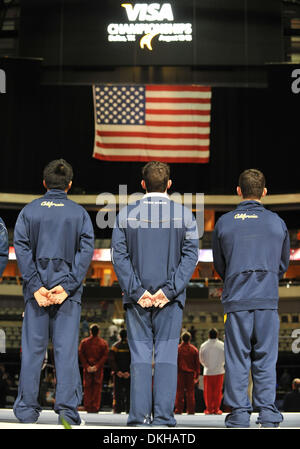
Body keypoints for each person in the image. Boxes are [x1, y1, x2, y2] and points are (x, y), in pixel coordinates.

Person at [111, 161, 199, 427]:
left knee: (139, 358)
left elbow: (119, 256)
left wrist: (138, 292)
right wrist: (169, 290)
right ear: (169, 185)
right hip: (169, 301)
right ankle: (162, 418)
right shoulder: (185, 215)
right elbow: (191, 256)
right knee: (166, 358)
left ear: (142, 185)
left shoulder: (125, 214)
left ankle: (138, 419)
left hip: (137, 300)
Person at [13, 159, 94, 425]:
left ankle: (26, 411)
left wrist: (36, 286)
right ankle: (67, 412)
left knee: (33, 352)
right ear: (69, 185)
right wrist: (68, 286)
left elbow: (21, 248)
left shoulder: (29, 211)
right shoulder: (79, 214)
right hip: (67, 295)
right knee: (66, 351)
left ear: (44, 183)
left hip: (36, 296)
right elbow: (86, 252)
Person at [212, 169, 290, 428]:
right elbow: (282, 264)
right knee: (266, 358)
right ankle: (267, 413)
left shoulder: (224, 222)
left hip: (236, 301)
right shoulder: (277, 223)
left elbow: (219, 264)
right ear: (264, 192)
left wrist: (236, 279)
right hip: (267, 299)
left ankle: (239, 414)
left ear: (239, 191)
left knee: (237, 359)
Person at [78, 324, 109, 413]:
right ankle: (95, 407)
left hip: (88, 368)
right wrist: (97, 366)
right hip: (98, 369)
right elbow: (105, 356)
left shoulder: (84, 342)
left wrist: (87, 366)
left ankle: (88, 406)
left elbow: (81, 355)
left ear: (90, 331)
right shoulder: (103, 343)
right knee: (97, 388)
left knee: (87, 388)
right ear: (99, 331)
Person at [199, 328, 225, 415]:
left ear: (209, 335)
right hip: (219, 371)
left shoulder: (203, 345)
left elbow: (201, 359)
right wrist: (221, 364)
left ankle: (209, 409)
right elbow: (225, 358)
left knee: (208, 391)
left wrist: (206, 365)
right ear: (217, 335)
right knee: (218, 391)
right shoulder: (222, 345)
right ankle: (217, 409)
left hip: (208, 371)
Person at [174, 331, 200, 415]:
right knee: (190, 393)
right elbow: (197, 364)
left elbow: (175, 362)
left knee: (179, 393)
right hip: (190, 374)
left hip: (180, 373)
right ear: (190, 339)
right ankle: (191, 410)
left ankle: (179, 410)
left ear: (181, 339)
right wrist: (197, 375)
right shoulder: (194, 349)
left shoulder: (177, 349)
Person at [108, 328, 131, 414]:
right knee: (129, 393)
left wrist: (117, 371)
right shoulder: (131, 346)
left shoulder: (115, 346)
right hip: (128, 374)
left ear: (119, 336)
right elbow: (134, 359)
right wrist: (129, 371)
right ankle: (129, 409)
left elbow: (111, 360)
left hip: (118, 375)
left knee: (118, 393)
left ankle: (118, 409)